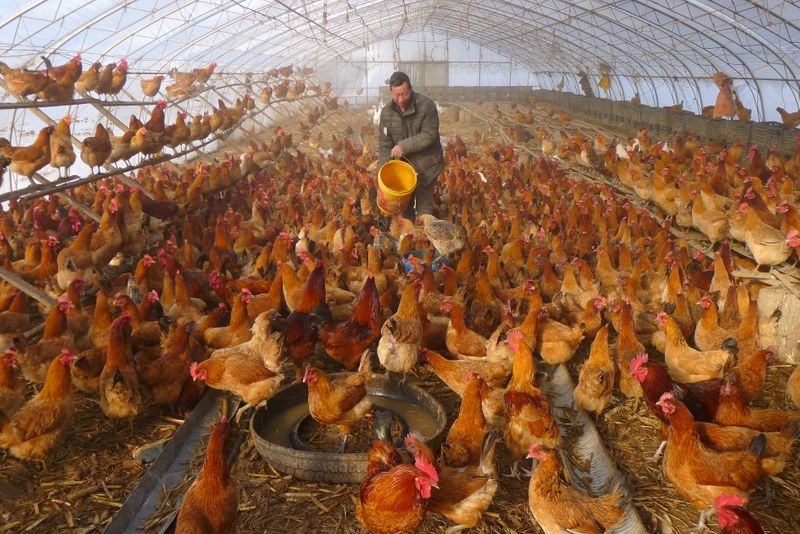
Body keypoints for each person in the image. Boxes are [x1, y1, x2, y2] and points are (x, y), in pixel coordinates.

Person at [378, 71, 444, 221]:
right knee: (404, 208)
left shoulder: (426, 106)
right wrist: (382, 174)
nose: (400, 99)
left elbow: (429, 134)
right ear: (390, 92)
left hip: (426, 165)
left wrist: (403, 146)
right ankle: (408, 240)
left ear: (411, 89)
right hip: (403, 170)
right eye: (396, 95)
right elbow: (384, 145)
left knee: (424, 208)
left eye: (404, 94)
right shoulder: (386, 113)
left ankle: (423, 242)